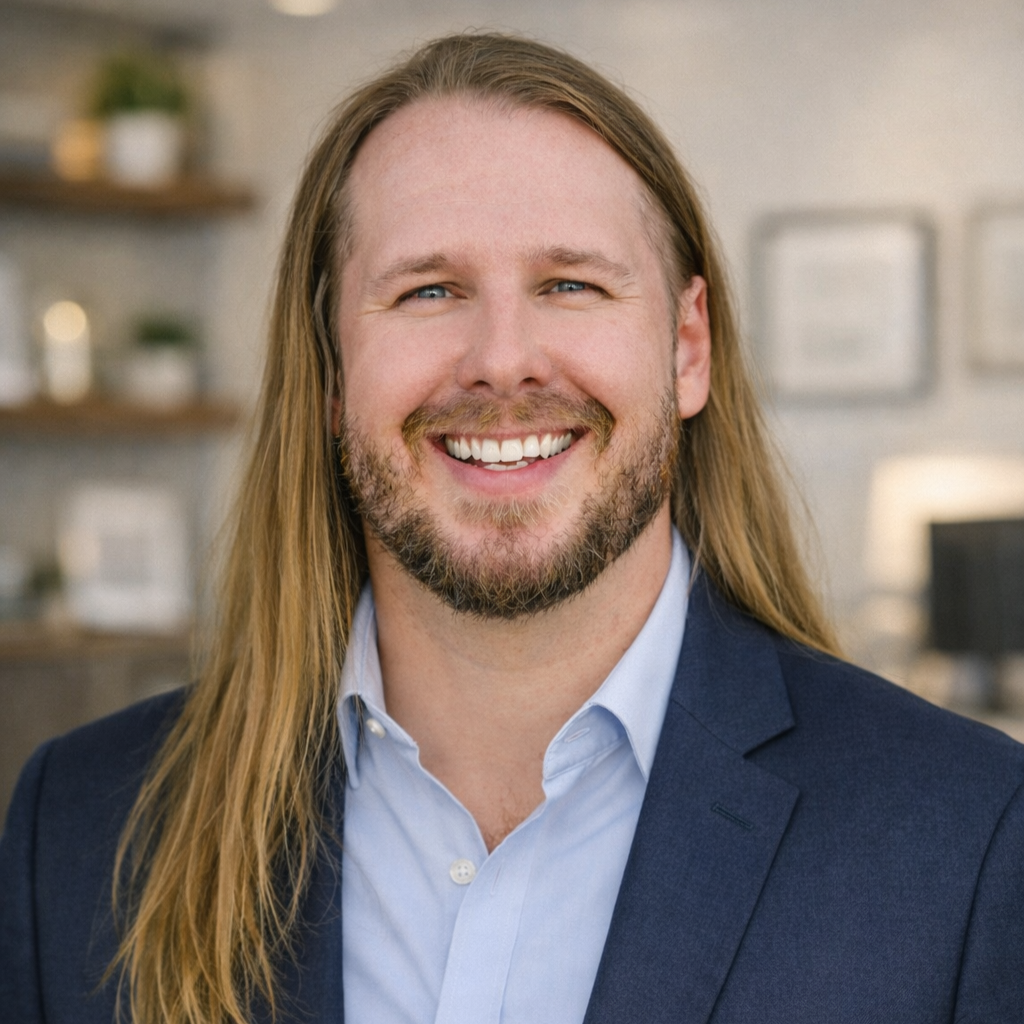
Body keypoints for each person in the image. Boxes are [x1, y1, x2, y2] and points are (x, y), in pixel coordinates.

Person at [2, 32, 1023, 1024]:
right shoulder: (84, 827)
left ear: (686, 347)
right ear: (328, 370)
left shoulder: (966, 838)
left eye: (569, 284)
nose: (501, 360)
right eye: (428, 290)